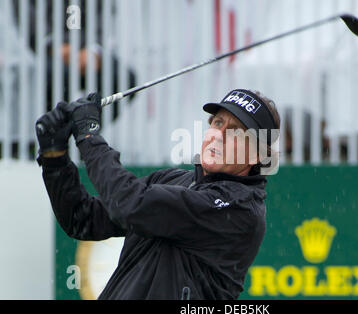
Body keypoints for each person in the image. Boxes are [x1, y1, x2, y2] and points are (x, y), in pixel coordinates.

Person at [35, 89, 280, 300]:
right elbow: (82, 218)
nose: (220, 135)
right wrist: (54, 158)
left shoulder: (239, 209)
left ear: (257, 155)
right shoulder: (174, 180)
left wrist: (89, 136)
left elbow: (129, 204)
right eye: (217, 123)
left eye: (236, 131)